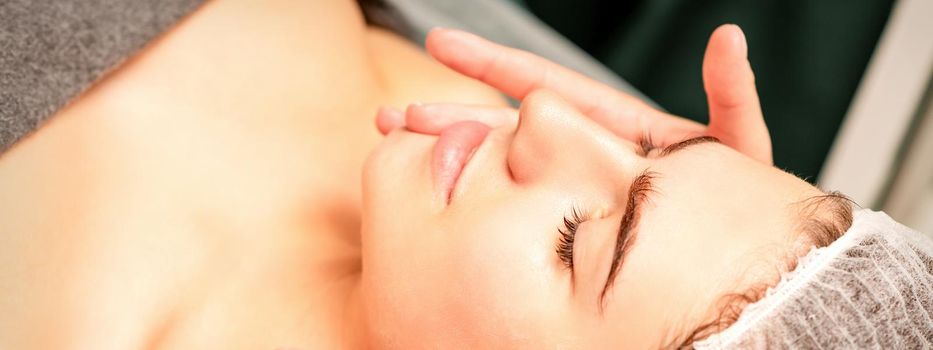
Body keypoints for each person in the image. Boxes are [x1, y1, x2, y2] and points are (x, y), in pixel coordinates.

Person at [1, 1, 929, 349]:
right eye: (650, 147)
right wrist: (720, 223)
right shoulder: (437, 125)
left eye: (576, 244)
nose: (554, 119)